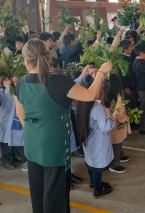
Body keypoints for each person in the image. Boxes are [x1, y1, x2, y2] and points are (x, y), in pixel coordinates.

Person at [14, 39, 112, 213]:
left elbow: (21, 116)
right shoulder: (58, 81)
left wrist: (36, 130)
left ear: (26, 61)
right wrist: (101, 72)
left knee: (38, 189)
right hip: (53, 145)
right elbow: (89, 95)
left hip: (32, 142)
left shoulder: (21, 83)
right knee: (54, 192)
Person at [76, 78, 116, 198]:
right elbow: (104, 126)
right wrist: (112, 119)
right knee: (97, 166)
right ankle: (98, 189)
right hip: (98, 140)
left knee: (90, 162)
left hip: (88, 140)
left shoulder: (82, 104)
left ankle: (93, 182)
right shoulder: (97, 107)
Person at [133, 41, 145, 135]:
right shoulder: (139, 63)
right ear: (141, 53)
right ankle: (143, 128)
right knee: (144, 108)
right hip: (143, 88)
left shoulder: (141, 61)